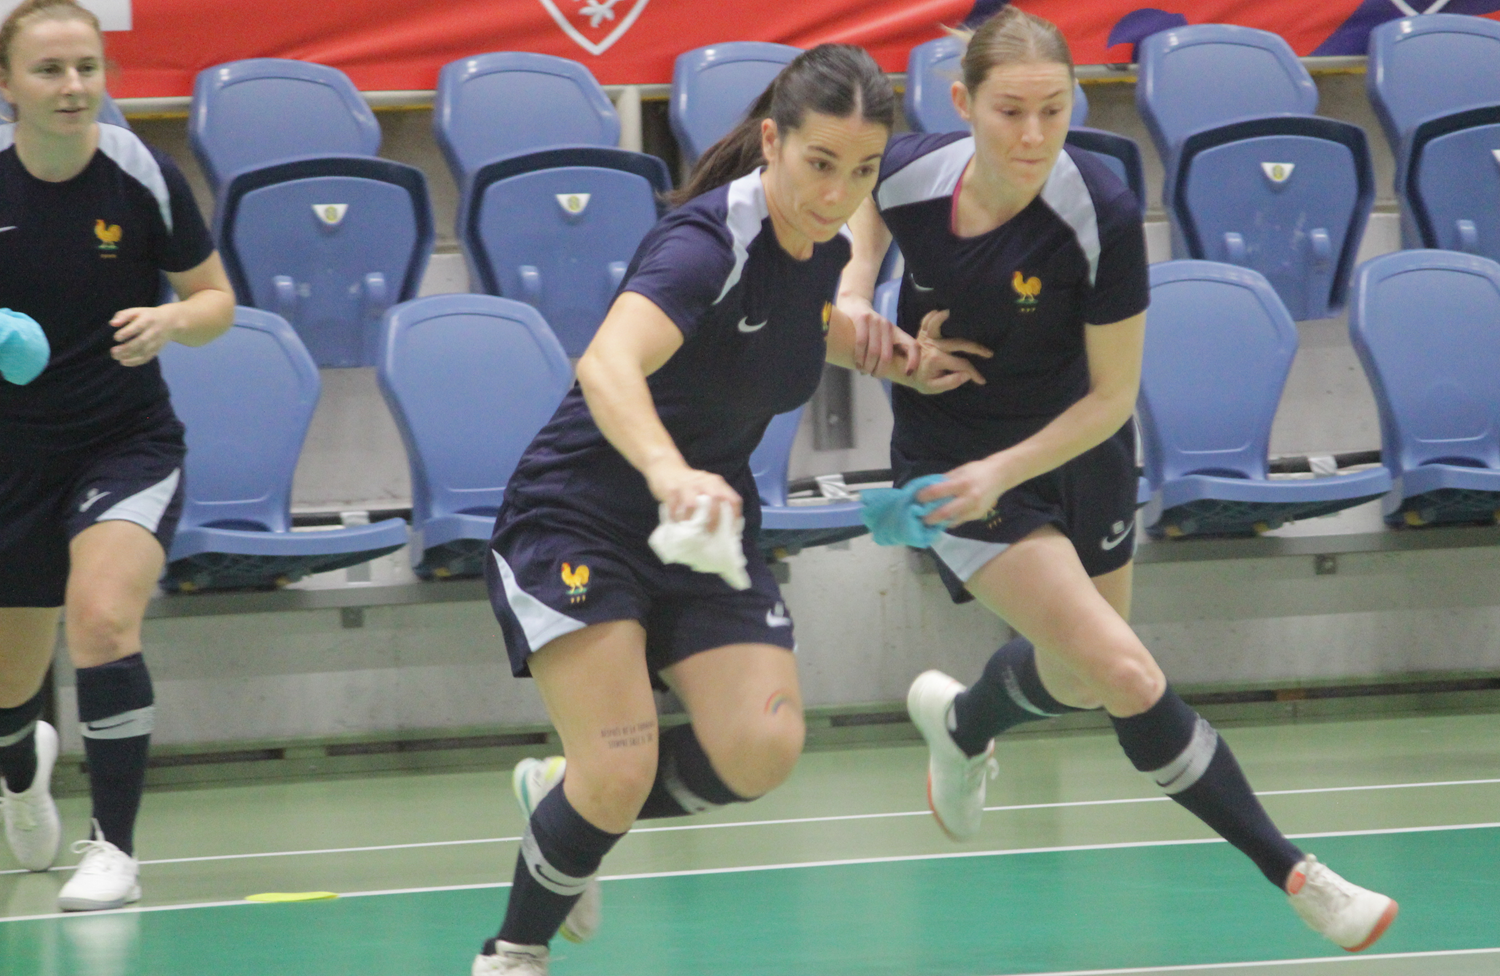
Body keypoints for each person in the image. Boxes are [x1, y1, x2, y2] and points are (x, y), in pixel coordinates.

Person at [837, 7, 1398, 954]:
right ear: (960, 102)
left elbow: (1112, 397)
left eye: (1053, 111)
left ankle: (964, 722)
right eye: (1009, 111)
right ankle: (1299, 876)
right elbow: (860, 213)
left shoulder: (1096, 208)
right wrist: (857, 293)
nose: (1031, 135)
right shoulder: (913, 172)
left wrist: (1007, 471)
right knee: (1128, 671)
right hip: (953, 460)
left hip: (1075, 450)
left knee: (1080, 676)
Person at [473, 44, 985, 976]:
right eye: (819, 163)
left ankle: (566, 806)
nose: (837, 192)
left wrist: (905, 358)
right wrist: (668, 470)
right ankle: (513, 951)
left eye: (861, 171)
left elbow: (800, 328)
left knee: (761, 746)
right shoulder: (705, 242)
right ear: (771, 142)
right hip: (578, 517)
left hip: (705, 530)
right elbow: (606, 365)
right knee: (621, 765)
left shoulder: (819, 249)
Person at [0, 0, 234, 912]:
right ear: (8, 84)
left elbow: (216, 300)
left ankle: (116, 849)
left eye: (87, 68)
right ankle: (21, 772)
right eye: (50, 69)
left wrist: (173, 317)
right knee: (11, 689)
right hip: (14, 456)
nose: (72, 87)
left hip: (125, 441)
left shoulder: (140, 171)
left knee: (100, 619)